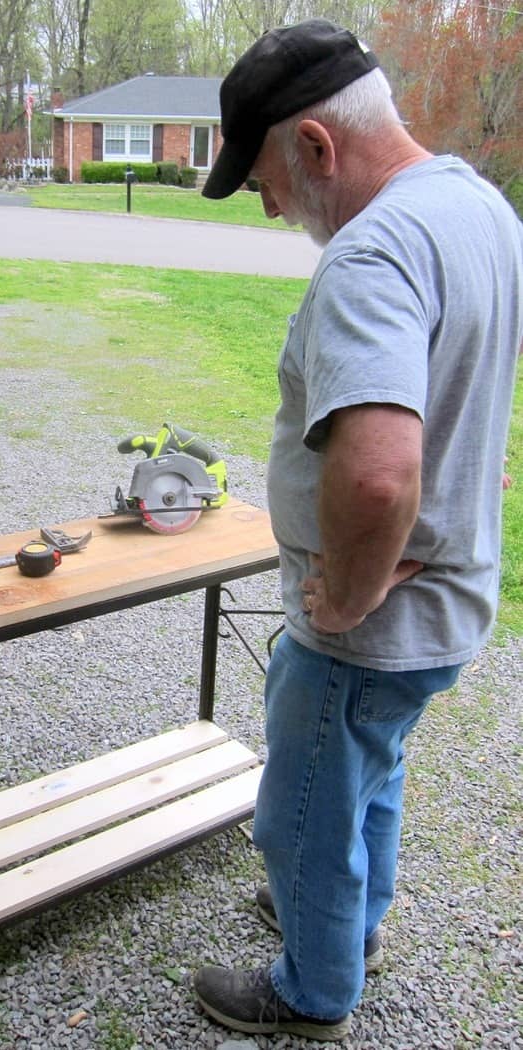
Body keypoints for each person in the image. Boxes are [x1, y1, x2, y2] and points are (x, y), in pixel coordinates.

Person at [193, 18, 523, 1042]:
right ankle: (349, 927)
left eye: (268, 185)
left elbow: (377, 479)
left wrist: (339, 595)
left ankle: (311, 988)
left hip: (366, 628)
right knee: (367, 778)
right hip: (444, 609)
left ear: (315, 148)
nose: (275, 207)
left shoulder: (371, 254)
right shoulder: (477, 207)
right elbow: (471, 380)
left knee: (303, 813)